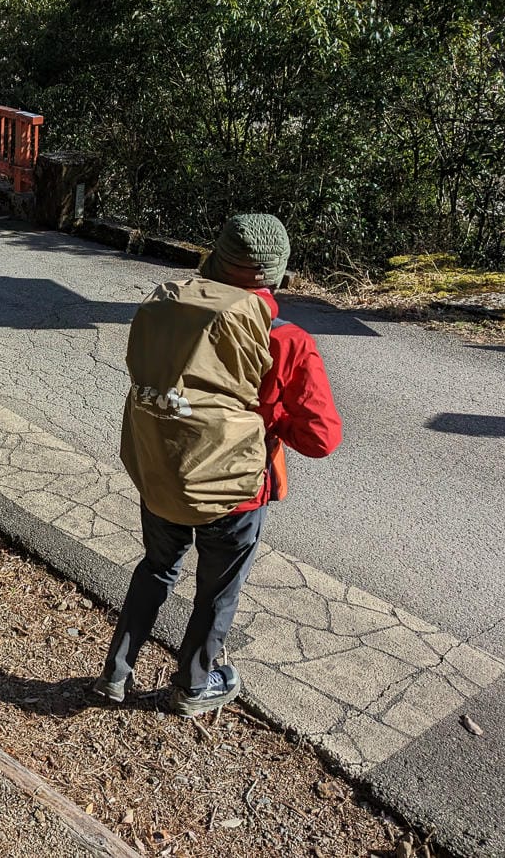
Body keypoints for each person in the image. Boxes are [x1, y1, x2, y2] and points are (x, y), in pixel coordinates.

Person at [93, 214, 342, 716]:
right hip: (234, 492)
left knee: (157, 568)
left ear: (216, 258)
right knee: (217, 591)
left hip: (163, 470)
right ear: (276, 274)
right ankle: (193, 686)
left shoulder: (174, 309)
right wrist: (266, 424)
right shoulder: (285, 339)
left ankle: (115, 673)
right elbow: (321, 438)